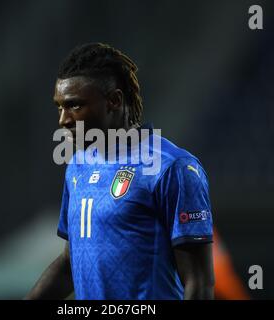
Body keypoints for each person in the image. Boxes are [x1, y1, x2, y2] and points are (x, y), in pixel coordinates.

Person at [25, 43, 214, 300]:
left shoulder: (172, 167)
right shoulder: (77, 166)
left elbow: (198, 283)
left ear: (114, 100)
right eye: (60, 107)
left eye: (74, 106)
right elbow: (71, 265)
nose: (63, 119)